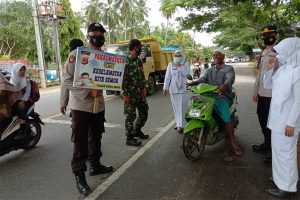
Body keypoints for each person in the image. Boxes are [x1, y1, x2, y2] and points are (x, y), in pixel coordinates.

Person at [60, 23, 113, 196]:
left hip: (99, 105)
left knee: (96, 137)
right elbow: (66, 80)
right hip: (81, 106)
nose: (98, 35)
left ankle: (95, 165)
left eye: (101, 33)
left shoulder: (106, 56)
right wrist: (87, 90)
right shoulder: (77, 55)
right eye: (95, 32)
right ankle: (79, 177)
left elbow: (108, 78)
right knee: (80, 142)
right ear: (88, 35)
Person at [264, 37, 300, 198]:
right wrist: (271, 68)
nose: (278, 55)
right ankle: (280, 179)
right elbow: (268, 85)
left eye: (281, 52)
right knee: (278, 151)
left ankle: (287, 187)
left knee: (286, 153)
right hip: (276, 120)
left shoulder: (297, 71)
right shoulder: (284, 68)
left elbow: (299, 101)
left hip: (287, 122)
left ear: (291, 52)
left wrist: (291, 123)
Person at [189, 48, 242, 156]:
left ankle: (232, 142)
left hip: (222, 97)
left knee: (227, 118)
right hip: (209, 96)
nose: (216, 57)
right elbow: (203, 79)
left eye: (218, 55)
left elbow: (230, 78)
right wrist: (193, 83)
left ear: (223, 56)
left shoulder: (228, 68)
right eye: (214, 55)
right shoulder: (210, 69)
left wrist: (225, 85)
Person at [252, 24, 279, 163]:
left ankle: (274, 152)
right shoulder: (263, 53)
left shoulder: (280, 52)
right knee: (263, 120)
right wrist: (256, 91)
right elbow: (260, 75)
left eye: (270, 34)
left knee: (272, 124)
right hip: (263, 94)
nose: (267, 37)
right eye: (265, 35)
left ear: (277, 35)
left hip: (274, 95)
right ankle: (267, 144)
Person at [122, 39, 149, 146]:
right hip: (130, 94)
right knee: (130, 116)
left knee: (144, 113)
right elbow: (122, 80)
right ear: (134, 48)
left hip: (139, 93)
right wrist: (124, 94)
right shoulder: (125, 62)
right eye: (139, 47)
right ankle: (129, 138)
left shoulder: (138, 61)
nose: (140, 49)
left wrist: (144, 87)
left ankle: (137, 130)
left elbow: (142, 75)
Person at [163, 50, 190, 133]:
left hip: (183, 89)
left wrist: (180, 67)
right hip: (173, 90)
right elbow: (168, 77)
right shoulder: (171, 64)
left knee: (182, 108)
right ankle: (178, 123)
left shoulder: (186, 64)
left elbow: (188, 75)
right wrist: (165, 88)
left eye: (179, 56)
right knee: (176, 108)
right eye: (176, 56)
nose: (177, 57)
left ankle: (182, 125)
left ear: (182, 56)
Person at [10, 63, 34, 138]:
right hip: (16, 100)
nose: (23, 71)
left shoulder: (26, 79)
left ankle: (23, 130)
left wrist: (23, 101)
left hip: (27, 99)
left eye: (24, 69)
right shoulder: (12, 79)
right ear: (16, 71)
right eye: (20, 70)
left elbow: (28, 92)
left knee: (20, 108)